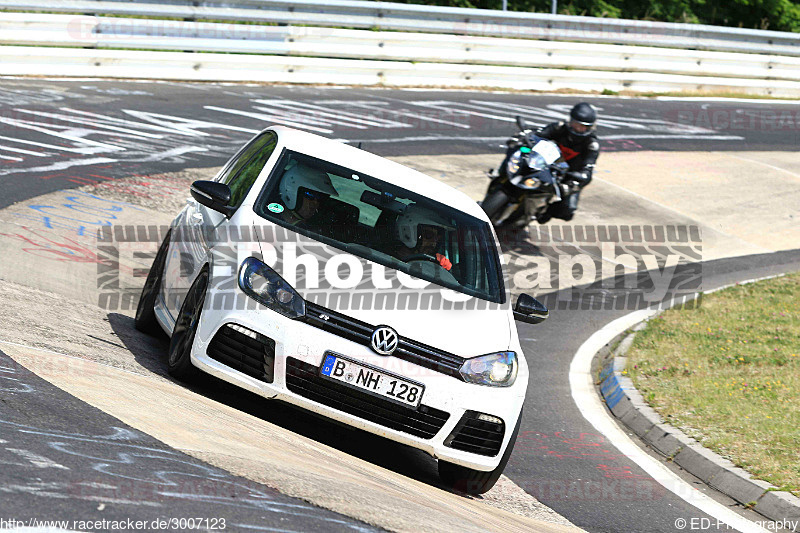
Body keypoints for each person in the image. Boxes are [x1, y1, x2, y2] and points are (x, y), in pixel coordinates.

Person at [534, 102, 600, 222]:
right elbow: (538, 135)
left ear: (590, 127)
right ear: (570, 121)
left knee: (568, 210)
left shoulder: (591, 144)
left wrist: (574, 184)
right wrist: (524, 137)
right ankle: (498, 174)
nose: (578, 128)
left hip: (567, 175)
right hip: (543, 165)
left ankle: (545, 211)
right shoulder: (559, 127)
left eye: (583, 126)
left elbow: (588, 171)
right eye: (576, 124)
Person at [393, 205, 453, 272]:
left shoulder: (432, 265)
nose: (434, 243)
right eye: (429, 235)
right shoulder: (386, 260)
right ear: (408, 232)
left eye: (437, 238)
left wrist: (443, 270)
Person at [277, 162, 337, 228]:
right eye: (311, 195)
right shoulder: (267, 222)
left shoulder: (314, 232)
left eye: (321, 197)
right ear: (291, 192)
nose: (315, 202)